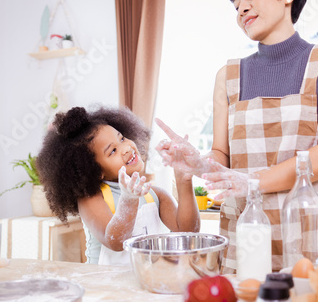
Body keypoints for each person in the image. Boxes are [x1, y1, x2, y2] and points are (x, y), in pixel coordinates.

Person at [156, 0, 318, 273]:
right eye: (236, 1)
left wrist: (253, 182)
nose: (241, 8)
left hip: (316, 226)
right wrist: (199, 164)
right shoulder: (228, 76)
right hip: (248, 230)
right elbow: (222, 156)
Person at [37, 106, 200, 265]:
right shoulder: (91, 199)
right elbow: (116, 242)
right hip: (106, 285)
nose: (126, 148)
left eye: (121, 138)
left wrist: (183, 179)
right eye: (112, 151)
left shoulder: (154, 194)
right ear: (95, 170)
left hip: (146, 282)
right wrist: (128, 201)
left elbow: (188, 232)